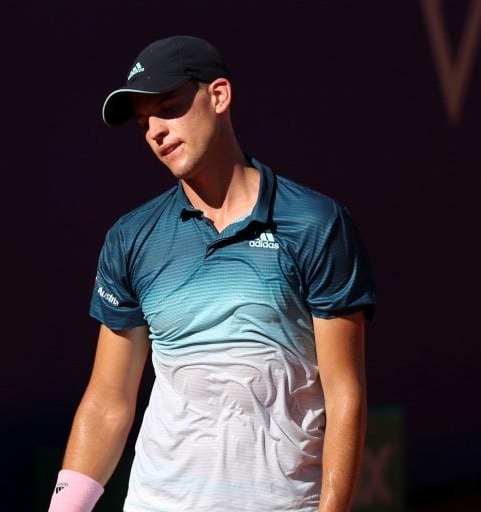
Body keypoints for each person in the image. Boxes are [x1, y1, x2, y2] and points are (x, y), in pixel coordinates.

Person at [48, 35, 376, 512]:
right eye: (144, 121)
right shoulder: (131, 238)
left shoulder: (315, 225)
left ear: (218, 96)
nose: (155, 131)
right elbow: (108, 399)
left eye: (169, 107)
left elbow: (345, 391)